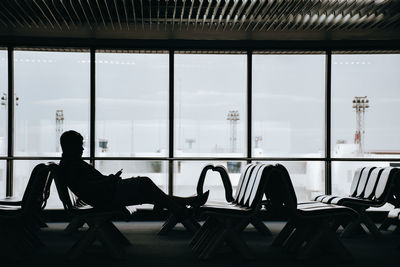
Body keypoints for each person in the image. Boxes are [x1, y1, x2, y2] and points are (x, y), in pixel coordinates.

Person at [59, 130, 208, 219]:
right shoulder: (71, 165)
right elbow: (88, 187)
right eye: (79, 145)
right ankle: (181, 206)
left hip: (104, 194)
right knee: (144, 183)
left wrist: (109, 180)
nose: (82, 149)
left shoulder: (70, 163)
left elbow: (88, 185)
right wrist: (109, 181)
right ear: (70, 146)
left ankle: (182, 204)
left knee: (148, 190)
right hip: (104, 197)